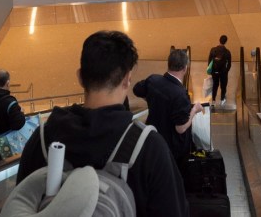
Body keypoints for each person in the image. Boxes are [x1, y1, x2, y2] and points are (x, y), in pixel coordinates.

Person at [16, 30, 188, 217]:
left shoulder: (42, 140)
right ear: (127, 80)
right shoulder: (149, 148)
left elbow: (20, 205)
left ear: (80, 77)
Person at [132, 48, 203, 162]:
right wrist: (194, 110)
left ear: (168, 64)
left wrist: (151, 99)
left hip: (152, 139)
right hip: (171, 150)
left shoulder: (153, 80)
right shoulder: (181, 94)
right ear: (185, 68)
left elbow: (136, 90)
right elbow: (180, 128)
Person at [207, 35, 232, 106]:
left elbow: (209, 61)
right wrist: (226, 71)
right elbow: (229, 64)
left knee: (215, 85)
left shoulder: (213, 50)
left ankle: (213, 100)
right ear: (226, 42)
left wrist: (212, 70)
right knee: (223, 86)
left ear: (219, 40)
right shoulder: (227, 52)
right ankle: (222, 100)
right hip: (223, 72)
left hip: (214, 71)